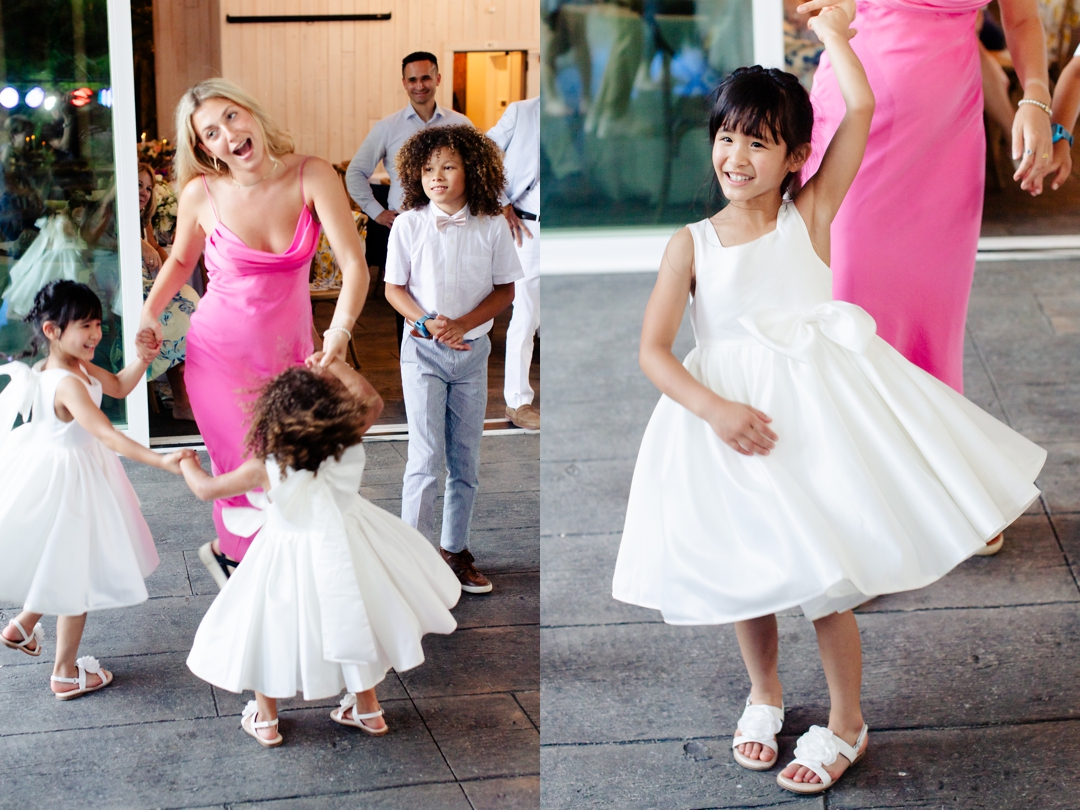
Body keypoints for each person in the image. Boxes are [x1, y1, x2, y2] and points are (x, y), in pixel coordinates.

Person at [611, 9, 1046, 795]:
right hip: (730, 426)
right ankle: (764, 692)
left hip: (805, 426)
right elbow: (651, 350)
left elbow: (867, 109)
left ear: (795, 157)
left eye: (760, 142)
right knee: (748, 568)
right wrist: (713, 409)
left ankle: (847, 721)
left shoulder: (810, 216)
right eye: (728, 137)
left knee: (824, 584)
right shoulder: (691, 245)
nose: (737, 156)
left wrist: (839, 39)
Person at [138, 79, 369, 587]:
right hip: (218, 358)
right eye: (211, 133)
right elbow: (179, 260)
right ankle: (245, 570)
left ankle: (263, 565)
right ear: (204, 148)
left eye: (232, 116)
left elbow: (355, 265)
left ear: (251, 111)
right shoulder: (202, 193)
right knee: (241, 466)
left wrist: (340, 332)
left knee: (292, 466)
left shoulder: (312, 174)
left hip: (295, 353)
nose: (229, 135)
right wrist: (149, 315)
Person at [179, 360, 460, 747]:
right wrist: (337, 365)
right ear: (331, 411)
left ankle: (267, 719)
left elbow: (207, 490)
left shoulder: (266, 466)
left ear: (274, 417)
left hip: (286, 554)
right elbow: (374, 402)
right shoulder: (344, 439)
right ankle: (368, 711)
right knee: (355, 616)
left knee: (268, 627)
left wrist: (188, 464)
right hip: (350, 544)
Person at [799, 0, 1052, 394]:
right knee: (843, 297)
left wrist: (1035, 97)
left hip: (947, 136)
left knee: (928, 314)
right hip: (858, 116)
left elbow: (1021, 18)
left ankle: (921, 448)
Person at [0, 280, 191, 698]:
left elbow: (120, 386)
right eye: (85, 325)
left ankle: (23, 625)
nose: (95, 334)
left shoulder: (74, 368)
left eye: (98, 324)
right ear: (52, 331)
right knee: (75, 575)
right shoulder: (66, 382)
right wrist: (160, 460)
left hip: (69, 469)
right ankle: (65, 674)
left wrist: (143, 360)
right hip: (72, 482)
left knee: (62, 558)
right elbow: (107, 435)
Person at [384, 125, 522, 595]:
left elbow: (506, 288)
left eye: (448, 166)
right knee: (424, 457)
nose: (436, 176)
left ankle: (453, 549)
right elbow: (393, 288)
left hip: (472, 353)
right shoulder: (408, 224)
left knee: (466, 461)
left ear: (472, 171)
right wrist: (427, 323)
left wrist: (463, 324)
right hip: (421, 350)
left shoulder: (491, 224)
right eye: (427, 168)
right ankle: (412, 556)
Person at [345, 51, 472, 230]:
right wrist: (376, 212)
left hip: (454, 223)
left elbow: (477, 172)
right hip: (406, 225)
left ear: (438, 79)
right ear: (404, 83)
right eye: (412, 80)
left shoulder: (461, 124)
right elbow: (355, 172)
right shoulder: (387, 127)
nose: (419, 85)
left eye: (425, 78)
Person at [487, 97, 542, 431]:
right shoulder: (522, 112)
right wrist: (501, 202)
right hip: (529, 228)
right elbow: (478, 152)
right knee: (525, 316)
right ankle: (518, 401)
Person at [138, 163, 198, 421]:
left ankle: (189, 396)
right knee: (179, 318)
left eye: (149, 188)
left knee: (193, 307)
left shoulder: (143, 220)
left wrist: (162, 255)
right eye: (138, 185)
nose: (144, 192)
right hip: (130, 291)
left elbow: (156, 250)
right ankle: (182, 401)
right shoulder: (113, 216)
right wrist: (141, 245)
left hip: (149, 285)